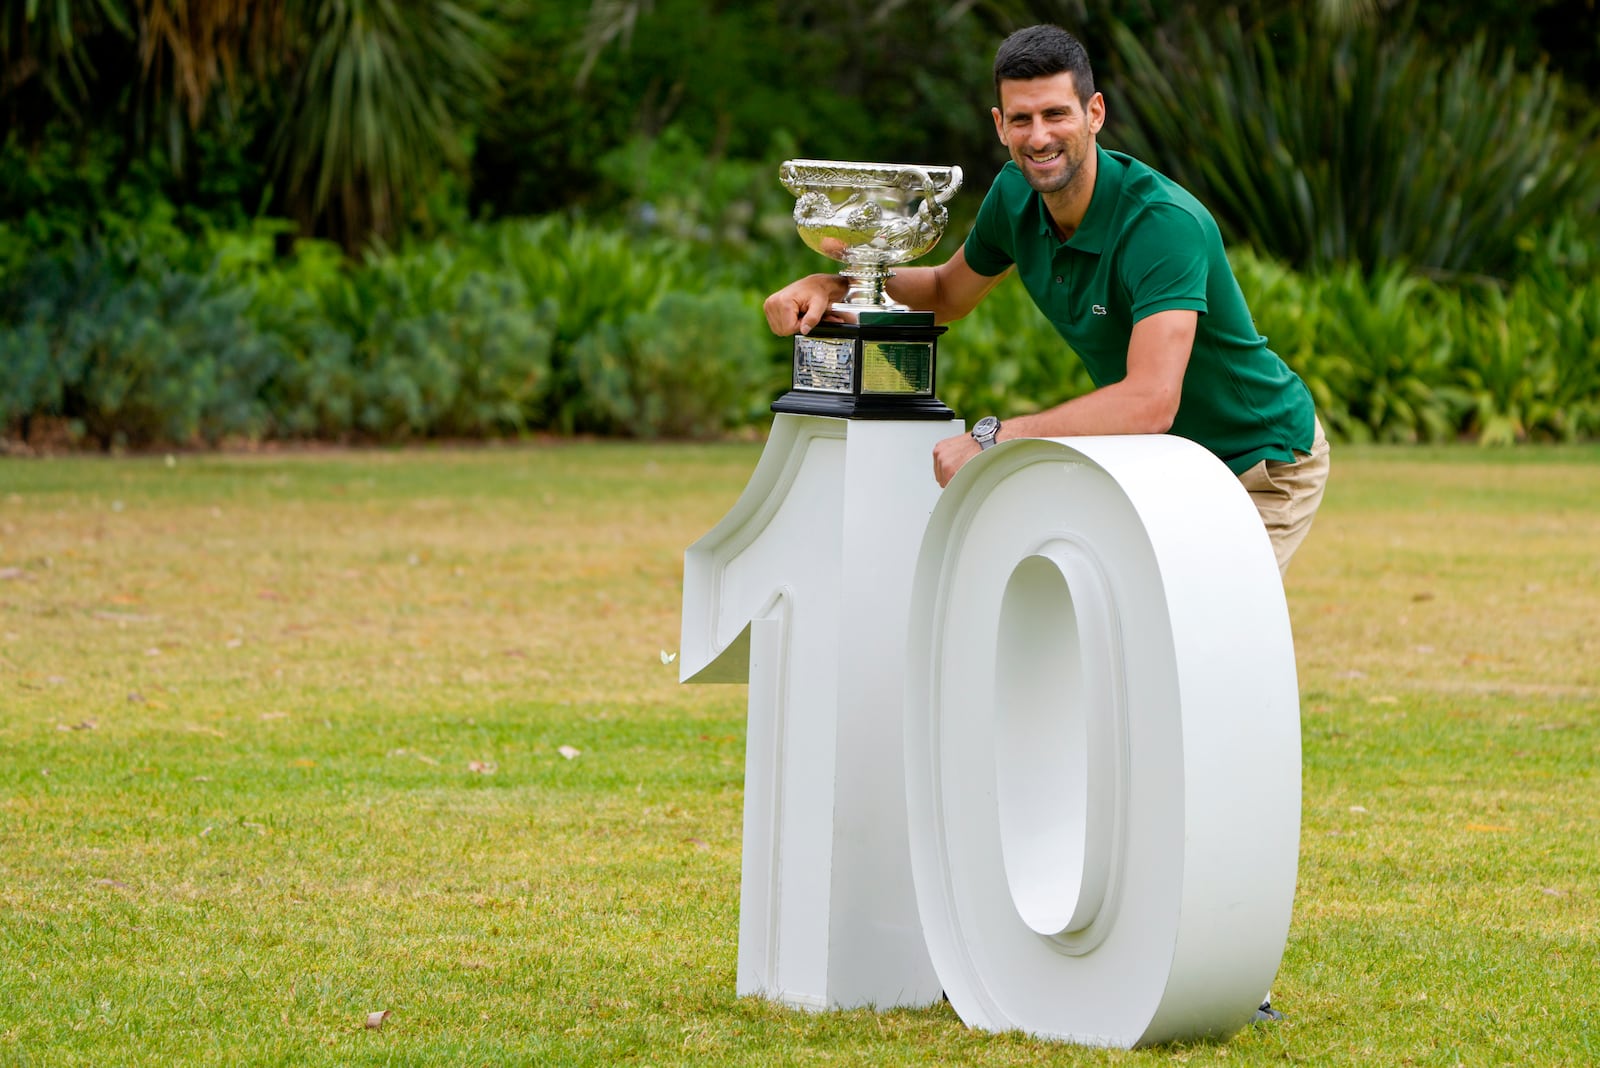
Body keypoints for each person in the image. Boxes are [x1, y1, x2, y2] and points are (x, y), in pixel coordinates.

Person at [763, 24, 1330, 578]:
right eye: (1022, 119)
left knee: (1207, 635)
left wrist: (993, 438)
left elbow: (1151, 400)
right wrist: (838, 283)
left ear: (1095, 113)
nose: (1039, 137)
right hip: (1164, 461)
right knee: (1126, 627)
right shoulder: (1013, 197)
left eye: (1056, 114)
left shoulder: (1161, 225)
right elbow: (944, 293)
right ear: (999, 125)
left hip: (1260, 459)